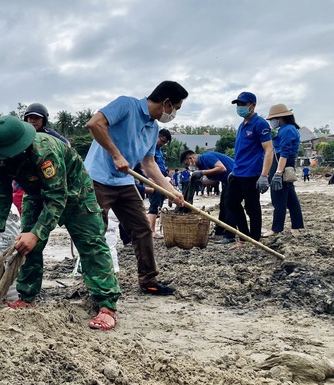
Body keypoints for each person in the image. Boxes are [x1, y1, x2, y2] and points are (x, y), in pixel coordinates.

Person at [0, 116, 121, 330]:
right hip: (36, 196)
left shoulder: (44, 151)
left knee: (91, 246)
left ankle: (107, 305)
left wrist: (37, 233)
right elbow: (1, 194)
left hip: (76, 195)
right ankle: (27, 297)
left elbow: (57, 196)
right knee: (25, 247)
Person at [84, 80, 186, 296]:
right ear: (166, 102)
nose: (174, 113)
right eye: (175, 108)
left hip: (124, 182)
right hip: (97, 179)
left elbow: (149, 164)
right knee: (95, 231)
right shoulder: (126, 105)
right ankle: (97, 284)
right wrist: (116, 154)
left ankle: (148, 280)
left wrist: (171, 190)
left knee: (142, 229)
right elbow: (94, 124)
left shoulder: (153, 127)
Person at [228, 92, 274, 248]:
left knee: (252, 207)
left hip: (251, 173)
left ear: (252, 105)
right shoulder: (242, 125)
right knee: (232, 203)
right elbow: (241, 151)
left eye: (243, 104)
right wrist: (233, 170)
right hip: (238, 172)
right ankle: (243, 237)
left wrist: (264, 175)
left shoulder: (260, 124)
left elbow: (269, 150)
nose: (240, 107)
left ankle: (254, 240)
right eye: (238, 104)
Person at [264, 104, 304, 237]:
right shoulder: (286, 129)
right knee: (291, 198)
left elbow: (284, 153)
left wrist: (278, 173)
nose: (271, 122)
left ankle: (276, 228)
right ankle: (296, 227)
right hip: (284, 163)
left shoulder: (287, 130)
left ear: (280, 117)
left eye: (272, 119)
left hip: (282, 163)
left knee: (278, 197)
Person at [180, 150, 237, 244]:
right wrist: (199, 181)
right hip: (228, 182)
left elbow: (222, 169)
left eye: (188, 164)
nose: (189, 167)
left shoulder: (207, 157)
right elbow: (214, 182)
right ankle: (220, 231)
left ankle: (229, 235)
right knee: (223, 206)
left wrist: (202, 172)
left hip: (236, 178)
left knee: (229, 206)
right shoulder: (202, 166)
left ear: (191, 158)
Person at [146, 129, 171, 239]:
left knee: (158, 204)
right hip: (154, 180)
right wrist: (150, 179)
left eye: (165, 143)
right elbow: (147, 166)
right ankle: (151, 231)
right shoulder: (148, 147)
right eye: (162, 141)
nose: (162, 144)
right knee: (154, 204)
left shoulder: (159, 150)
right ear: (157, 136)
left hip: (162, 180)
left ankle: (152, 229)